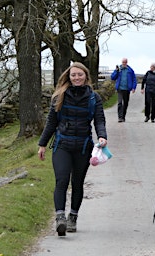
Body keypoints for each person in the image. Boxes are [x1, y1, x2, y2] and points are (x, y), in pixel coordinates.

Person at [37, 62, 108, 236]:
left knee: (77, 183)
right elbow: (51, 123)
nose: (76, 78)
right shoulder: (59, 96)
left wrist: (102, 135)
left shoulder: (94, 98)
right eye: (73, 75)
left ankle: (73, 217)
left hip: (83, 147)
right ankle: (60, 217)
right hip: (62, 145)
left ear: (86, 76)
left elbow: (99, 119)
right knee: (61, 180)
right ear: (69, 77)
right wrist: (42, 144)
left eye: (80, 75)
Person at [111, 57, 137, 122]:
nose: (124, 63)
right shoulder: (118, 69)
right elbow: (113, 77)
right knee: (119, 103)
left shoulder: (130, 70)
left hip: (127, 89)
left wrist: (133, 87)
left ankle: (123, 116)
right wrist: (116, 71)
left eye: (125, 62)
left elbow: (134, 79)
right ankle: (120, 117)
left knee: (125, 103)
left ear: (127, 63)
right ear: (121, 62)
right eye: (123, 62)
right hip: (120, 88)